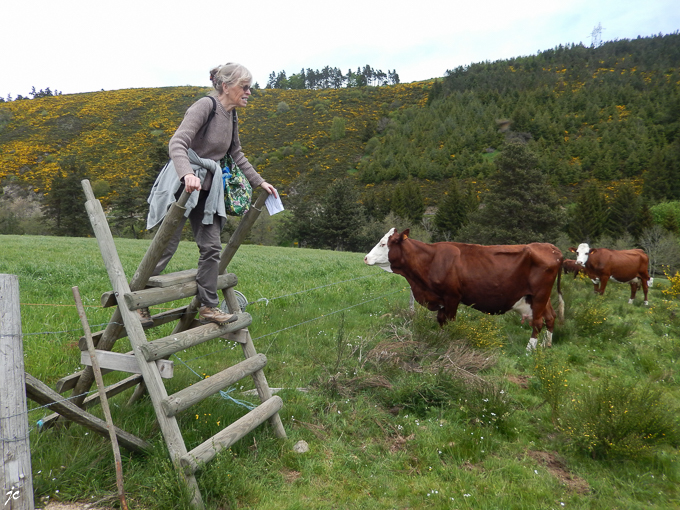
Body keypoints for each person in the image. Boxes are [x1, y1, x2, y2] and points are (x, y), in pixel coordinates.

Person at [144, 63, 277, 326]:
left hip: (208, 189)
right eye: (245, 87)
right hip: (183, 186)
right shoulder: (205, 106)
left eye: (250, 87)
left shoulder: (232, 115)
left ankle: (208, 307)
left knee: (211, 248)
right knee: (166, 245)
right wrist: (187, 175)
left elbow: (235, 153)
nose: (249, 92)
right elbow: (177, 142)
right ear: (226, 86)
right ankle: (140, 302)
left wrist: (259, 182)